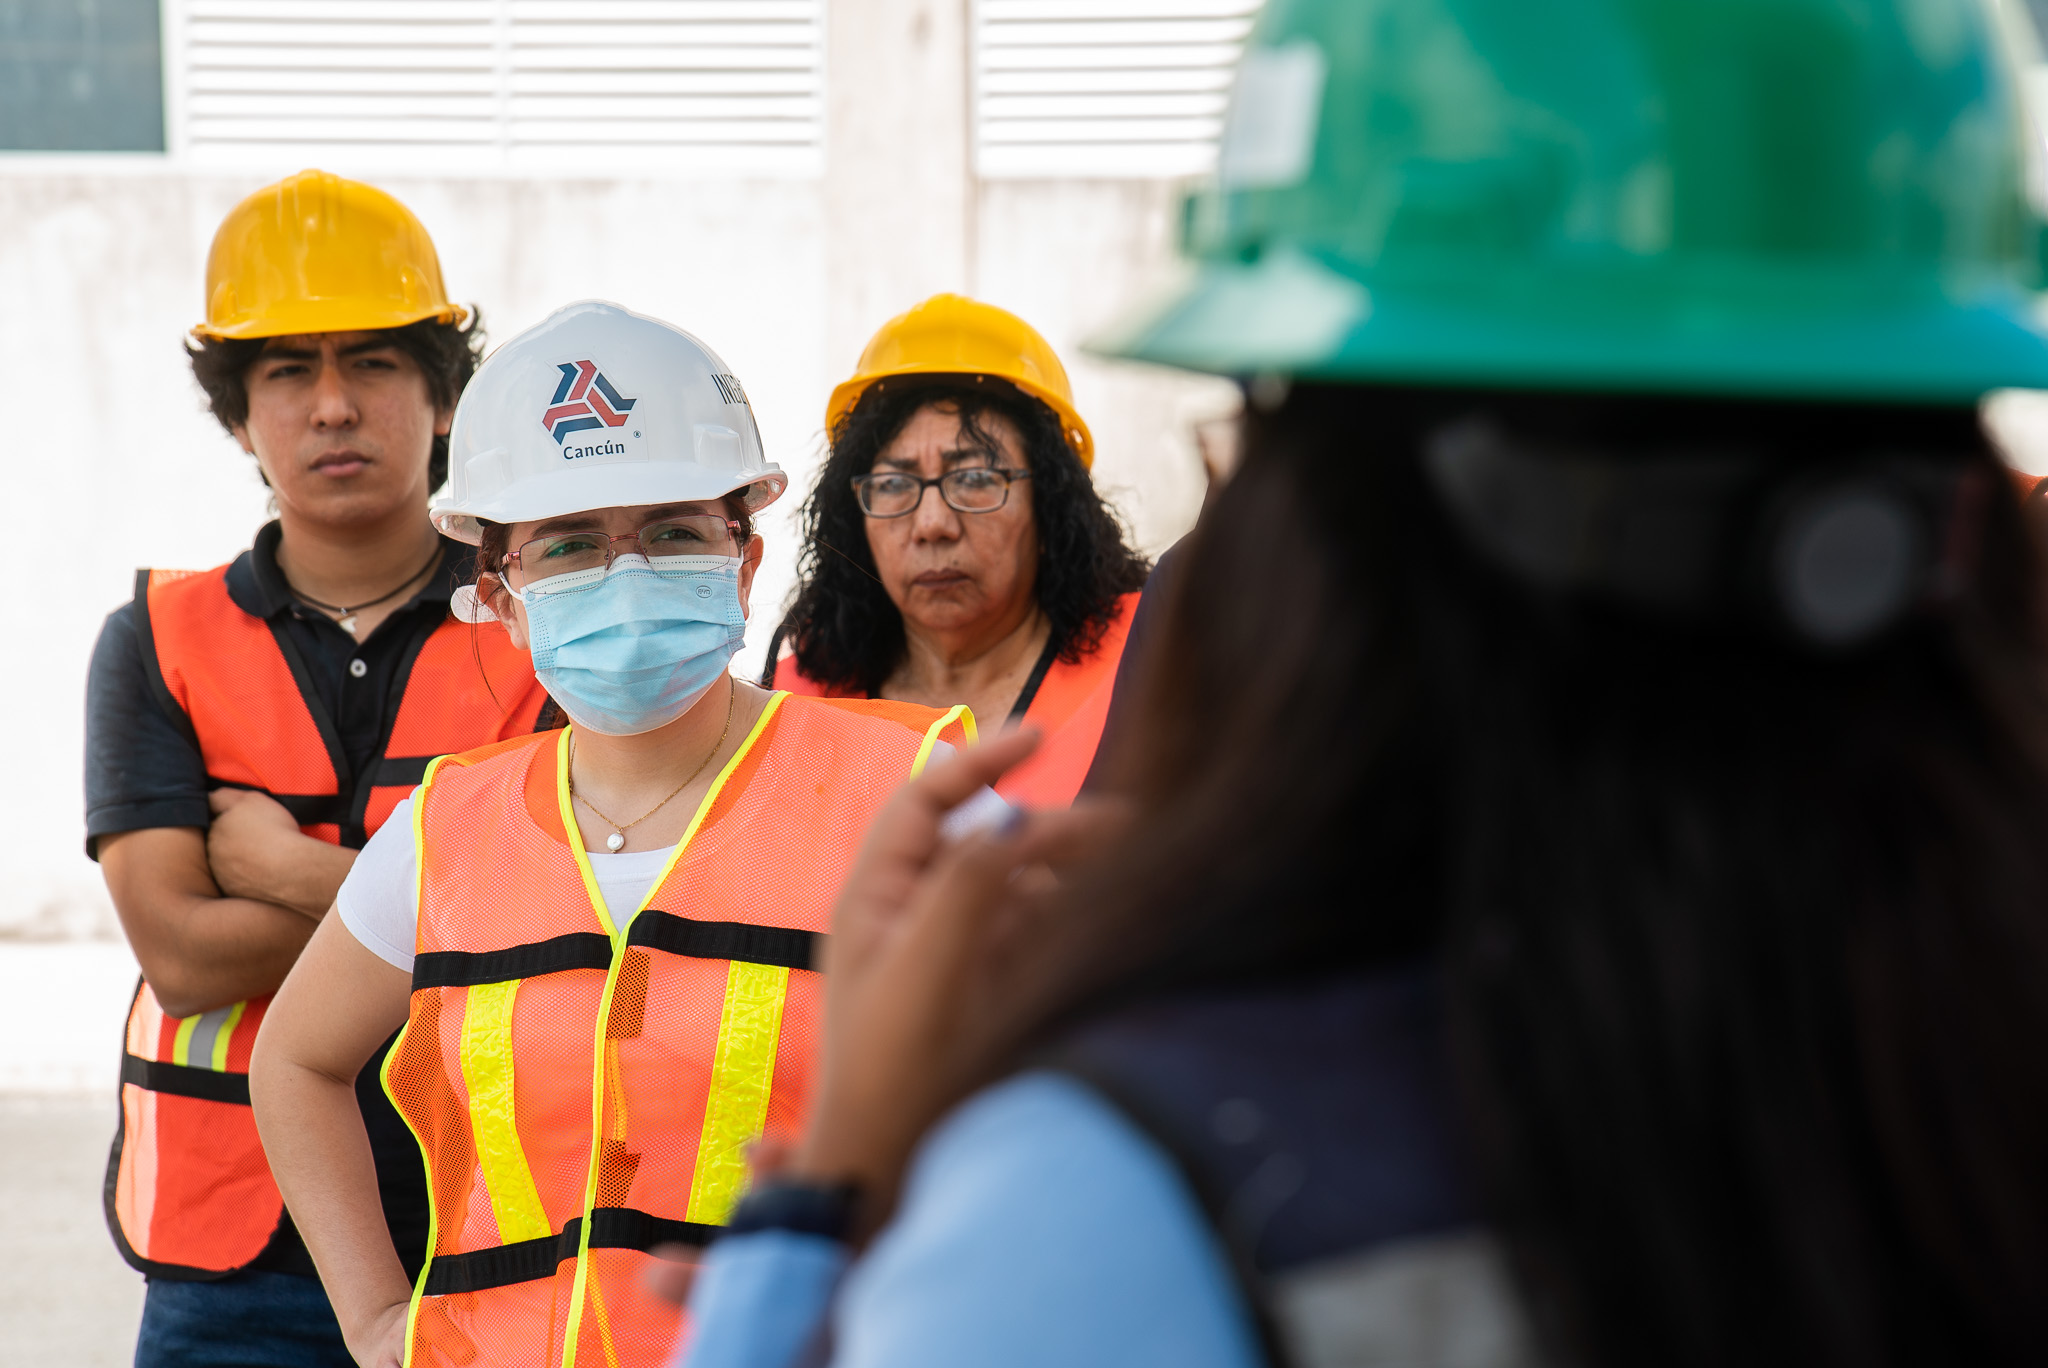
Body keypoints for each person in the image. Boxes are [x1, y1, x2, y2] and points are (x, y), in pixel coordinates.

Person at [676, 2, 2048, 1367]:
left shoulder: (1114, 1205)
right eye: (897, 483)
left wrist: (824, 1202)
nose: (932, 516)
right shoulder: (1969, 1078)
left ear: (1329, 532)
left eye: (1260, 425)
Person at [248, 300, 984, 1368]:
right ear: (500, 596)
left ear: (743, 561)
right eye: (569, 545)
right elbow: (295, 1062)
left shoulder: (909, 795)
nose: (625, 576)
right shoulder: (443, 832)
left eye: (673, 532)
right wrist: (372, 1323)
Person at [85, 169, 547, 1367]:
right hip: (229, 1261)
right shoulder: (157, 639)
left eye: (373, 364)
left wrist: (285, 871)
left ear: (443, 399)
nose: (333, 406)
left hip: (486, 1231)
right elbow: (184, 957)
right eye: (289, 371)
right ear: (240, 419)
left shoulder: (539, 629)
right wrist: (432, 907)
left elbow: (554, 930)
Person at [765, 294, 1148, 806]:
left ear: (1051, 505)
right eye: (893, 484)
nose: (932, 525)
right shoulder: (793, 699)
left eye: (974, 478)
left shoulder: (1155, 654)